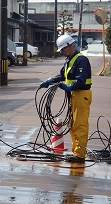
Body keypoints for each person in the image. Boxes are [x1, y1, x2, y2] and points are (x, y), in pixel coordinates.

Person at [40, 34, 92, 162]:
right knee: (72, 125)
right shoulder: (70, 60)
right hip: (74, 96)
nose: (62, 52)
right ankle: (76, 152)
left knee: (80, 125)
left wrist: (67, 87)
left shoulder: (81, 60)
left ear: (69, 46)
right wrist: (50, 80)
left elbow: (80, 81)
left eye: (62, 50)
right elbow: (62, 76)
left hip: (81, 95)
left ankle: (80, 155)